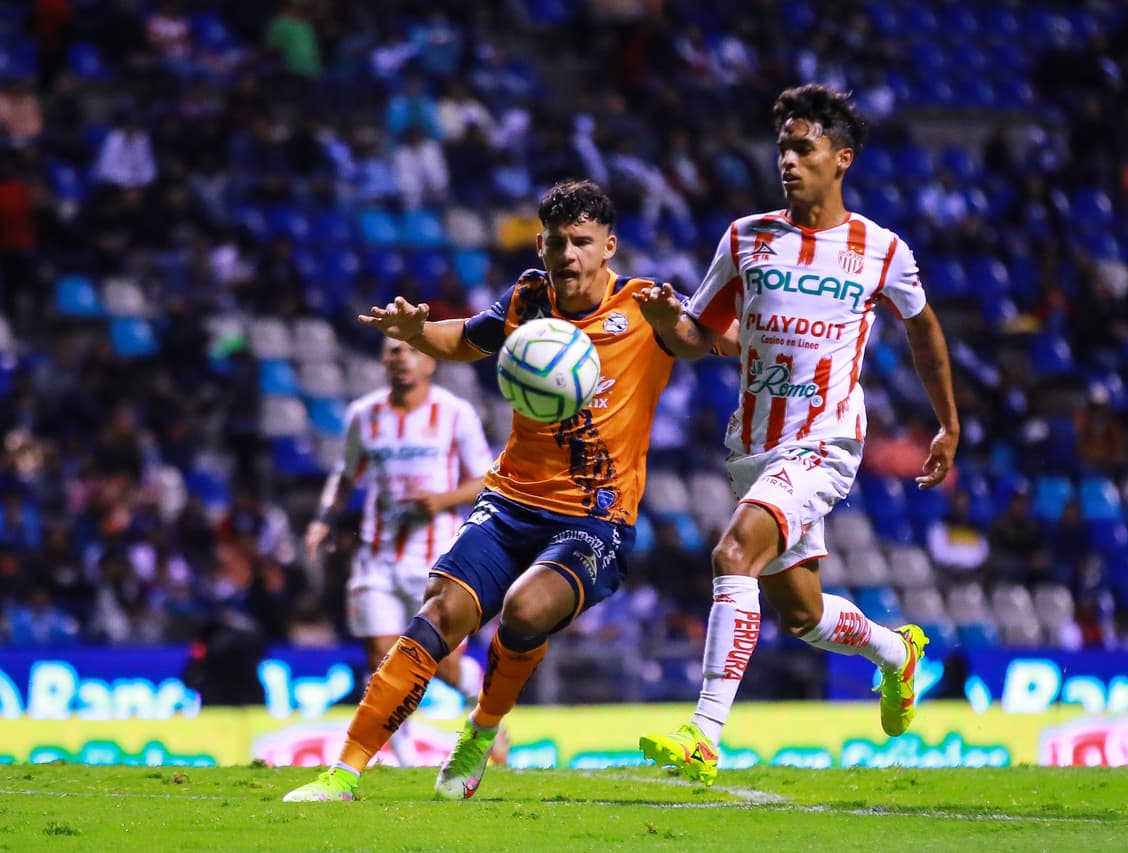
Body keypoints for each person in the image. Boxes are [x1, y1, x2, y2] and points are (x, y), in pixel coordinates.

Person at [283, 180, 736, 803]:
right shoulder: (529, 295)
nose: (567, 256)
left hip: (594, 519)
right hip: (510, 501)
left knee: (524, 609)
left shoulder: (644, 304)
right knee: (440, 613)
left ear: (609, 247)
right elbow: (466, 341)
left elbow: (727, 341)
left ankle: (480, 731)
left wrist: (675, 324)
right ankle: (342, 774)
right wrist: (418, 332)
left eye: (581, 243)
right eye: (555, 243)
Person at [634, 84, 959, 785]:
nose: (787, 158)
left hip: (827, 441)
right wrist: (666, 320)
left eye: (802, 147)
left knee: (733, 551)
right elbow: (700, 335)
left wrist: (948, 424)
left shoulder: (881, 250)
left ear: (841, 159)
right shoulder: (745, 237)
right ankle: (898, 654)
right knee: (802, 614)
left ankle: (704, 733)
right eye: (782, 145)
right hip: (754, 447)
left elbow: (925, 333)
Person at [303, 335, 492, 767]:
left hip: (437, 559)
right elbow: (345, 475)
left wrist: (442, 500)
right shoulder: (364, 415)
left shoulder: (455, 413)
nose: (403, 359)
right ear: (383, 361)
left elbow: (487, 478)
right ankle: (404, 757)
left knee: (436, 659)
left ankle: (470, 685)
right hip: (377, 556)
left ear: (432, 363)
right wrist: (322, 520)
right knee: (383, 656)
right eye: (394, 351)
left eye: (413, 351)